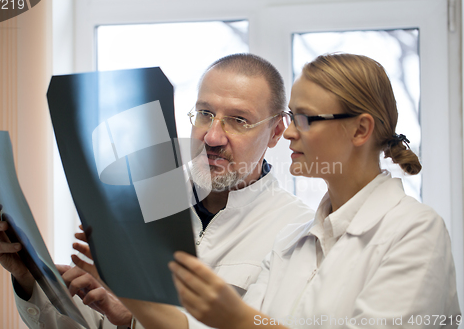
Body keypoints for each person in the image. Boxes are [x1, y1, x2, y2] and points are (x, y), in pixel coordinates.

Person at [0, 53, 314, 328]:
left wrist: (137, 317)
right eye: (205, 114)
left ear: (276, 132)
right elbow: (99, 322)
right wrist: (29, 279)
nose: (212, 137)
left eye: (239, 120)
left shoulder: (298, 233)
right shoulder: (143, 205)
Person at [159, 53, 460, 328]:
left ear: (360, 130)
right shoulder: (292, 242)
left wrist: (237, 318)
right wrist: (133, 308)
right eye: (291, 116)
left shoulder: (416, 231)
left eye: (304, 118)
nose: (289, 131)